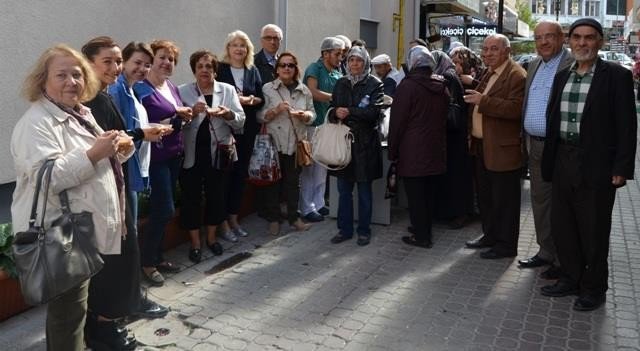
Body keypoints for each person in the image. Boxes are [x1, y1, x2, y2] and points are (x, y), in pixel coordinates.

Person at [11, 44, 132, 351]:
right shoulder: (37, 122)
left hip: (82, 228)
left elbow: (94, 165)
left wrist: (118, 150)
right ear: (43, 81)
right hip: (62, 232)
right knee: (68, 315)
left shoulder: (79, 113)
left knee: (75, 311)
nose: (72, 82)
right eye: (61, 75)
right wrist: (94, 153)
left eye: (77, 75)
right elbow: (47, 178)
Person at [540, 19, 637, 311]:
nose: (583, 43)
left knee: (593, 229)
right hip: (562, 160)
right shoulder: (562, 76)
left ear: (600, 42)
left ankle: (593, 288)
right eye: (577, 37)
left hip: (596, 164)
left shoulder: (616, 76)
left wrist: (621, 167)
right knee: (564, 225)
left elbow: (626, 126)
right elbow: (552, 118)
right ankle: (570, 278)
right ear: (569, 41)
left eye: (589, 38)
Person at [82, 36, 170, 350]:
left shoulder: (101, 96)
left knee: (121, 252)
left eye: (118, 61)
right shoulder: (93, 99)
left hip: (114, 184)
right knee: (117, 255)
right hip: (104, 191)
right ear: (89, 63)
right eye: (108, 61)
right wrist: (136, 136)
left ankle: (106, 320)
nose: (116, 67)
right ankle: (105, 326)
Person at [108, 41, 172, 319]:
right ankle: (130, 301)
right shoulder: (116, 90)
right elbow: (116, 135)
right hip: (122, 175)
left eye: (146, 64)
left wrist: (146, 132)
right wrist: (144, 133)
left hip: (133, 171)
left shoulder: (130, 89)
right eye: (137, 63)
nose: (142, 69)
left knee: (129, 236)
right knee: (127, 239)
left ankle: (128, 298)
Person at [517, 21, 573, 280]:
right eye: (539, 38)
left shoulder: (572, 65)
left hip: (561, 148)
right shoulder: (534, 65)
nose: (544, 42)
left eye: (550, 36)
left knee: (563, 206)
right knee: (540, 202)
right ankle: (546, 252)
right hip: (534, 145)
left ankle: (565, 261)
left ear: (562, 38)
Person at [134, 39, 192, 286]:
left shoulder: (171, 86)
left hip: (173, 154)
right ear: (152, 61)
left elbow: (175, 118)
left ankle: (157, 257)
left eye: (171, 59)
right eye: (162, 57)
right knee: (164, 209)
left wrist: (185, 115)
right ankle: (147, 263)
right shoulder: (141, 89)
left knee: (164, 210)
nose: (167, 63)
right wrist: (173, 117)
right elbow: (140, 124)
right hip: (155, 158)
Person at [463, 34, 526, 259]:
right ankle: (490, 235)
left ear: (507, 51)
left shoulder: (516, 74)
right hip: (482, 146)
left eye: (494, 49)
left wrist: (483, 101)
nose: (488, 53)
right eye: (486, 49)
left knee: (505, 201)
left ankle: (506, 245)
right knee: (486, 197)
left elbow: (516, 109)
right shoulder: (489, 72)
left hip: (503, 150)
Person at [178, 50, 245, 263]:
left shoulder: (227, 90)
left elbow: (241, 121)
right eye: (200, 66)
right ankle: (196, 243)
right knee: (191, 199)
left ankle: (211, 238)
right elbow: (176, 123)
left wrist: (228, 114)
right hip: (192, 155)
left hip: (219, 154)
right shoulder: (182, 91)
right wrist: (191, 113)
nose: (205, 70)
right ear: (194, 70)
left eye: (209, 66)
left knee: (217, 197)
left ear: (215, 71)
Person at [389, 46, 448, 248]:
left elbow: (397, 122)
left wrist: (392, 150)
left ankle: (421, 236)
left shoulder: (407, 87)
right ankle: (423, 228)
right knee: (428, 194)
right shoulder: (441, 86)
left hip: (412, 150)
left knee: (416, 196)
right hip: (435, 148)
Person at [327, 46, 384, 247]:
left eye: (359, 60)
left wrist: (348, 112)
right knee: (343, 190)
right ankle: (344, 230)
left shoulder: (374, 84)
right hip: (343, 143)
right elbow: (331, 108)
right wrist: (335, 113)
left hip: (365, 144)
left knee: (364, 191)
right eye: (351, 60)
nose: (355, 64)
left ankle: (364, 231)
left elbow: (373, 113)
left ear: (366, 62)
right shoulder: (341, 82)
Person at [257, 52, 315, 235]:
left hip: (295, 143)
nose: (286, 68)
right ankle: (274, 219)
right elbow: (259, 116)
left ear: (295, 68)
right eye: (283, 65)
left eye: (290, 65)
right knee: (273, 182)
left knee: (293, 183)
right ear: (277, 69)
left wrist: (305, 115)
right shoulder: (268, 88)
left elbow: (313, 114)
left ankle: (294, 218)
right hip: (274, 142)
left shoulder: (304, 90)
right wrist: (275, 110)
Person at [217, 30, 265, 242]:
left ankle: (234, 218)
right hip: (225, 129)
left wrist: (250, 100)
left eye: (242, 45)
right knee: (224, 177)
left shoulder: (252, 70)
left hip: (246, 130)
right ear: (228, 48)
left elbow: (261, 98)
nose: (239, 49)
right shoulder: (220, 69)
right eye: (234, 45)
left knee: (239, 176)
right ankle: (222, 222)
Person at [300, 37, 344, 222]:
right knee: (308, 170)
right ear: (325, 54)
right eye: (337, 54)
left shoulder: (336, 74)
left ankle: (318, 204)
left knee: (322, 168)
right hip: (311, 126)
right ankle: (306, 208)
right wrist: (335, 99)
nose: (341, 58)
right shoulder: (314, 68)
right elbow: (312, 92)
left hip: (328, 127)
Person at [430, 50, 474, 230]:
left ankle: (460, 214)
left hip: (453, 135)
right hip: (452, 134)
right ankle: (450, 212)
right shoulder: (448, 75)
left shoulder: (446, 77)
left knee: (456, 177)